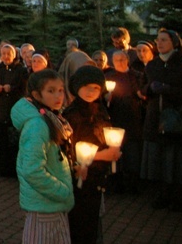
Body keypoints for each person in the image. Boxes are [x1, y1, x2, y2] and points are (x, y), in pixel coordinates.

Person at [12, 70, 74, 244]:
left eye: (61, 90)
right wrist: (61, 191)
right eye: (51, 91)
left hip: (51, 205)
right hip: (45, 205)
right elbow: (31, 169)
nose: (58, 95)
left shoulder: (52, 118)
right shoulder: (37, 126)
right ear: (36, 95)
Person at [63, 65, 122, 244]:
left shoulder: (101, 111)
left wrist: (112, 151)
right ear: (77, 86)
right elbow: (70, 150)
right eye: (86, 86)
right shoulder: (71, 114)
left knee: (93, 222)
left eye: (96, 87)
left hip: (97, 177)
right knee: (80, 224)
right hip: (80, 178)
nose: (91, 91)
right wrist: (102, 155)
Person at [141, 28, 182, 211]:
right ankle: (161, 195)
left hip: (175, 118)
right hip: (154, 117)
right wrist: (150, 89)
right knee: (158, 159)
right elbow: (142, 88)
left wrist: (169, 89)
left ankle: (177, 197)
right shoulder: (152, 65)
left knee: (175, 159)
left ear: (174, 43)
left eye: (164, 40)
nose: (159, 43)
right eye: (158, 40)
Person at [104, 51, 144, 194]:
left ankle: (132, 184)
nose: (119, 62)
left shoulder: (136, 76)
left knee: (132, 152)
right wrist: (106, 97)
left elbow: (142, 94)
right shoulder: (108, 77)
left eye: (122, 59)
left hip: (132, 119)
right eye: (116, 60)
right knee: (116, 152)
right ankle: (116, 183)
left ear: (127, 60)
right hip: (115, 118)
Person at [0, 44, 28, 176]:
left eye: (8, 53)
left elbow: (24, 88)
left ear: (14, 55)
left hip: (12, 108)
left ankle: (11, 167)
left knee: (11, 140)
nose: (6, 56)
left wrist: (12, 88)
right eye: (3, 54)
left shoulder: (20, 70)